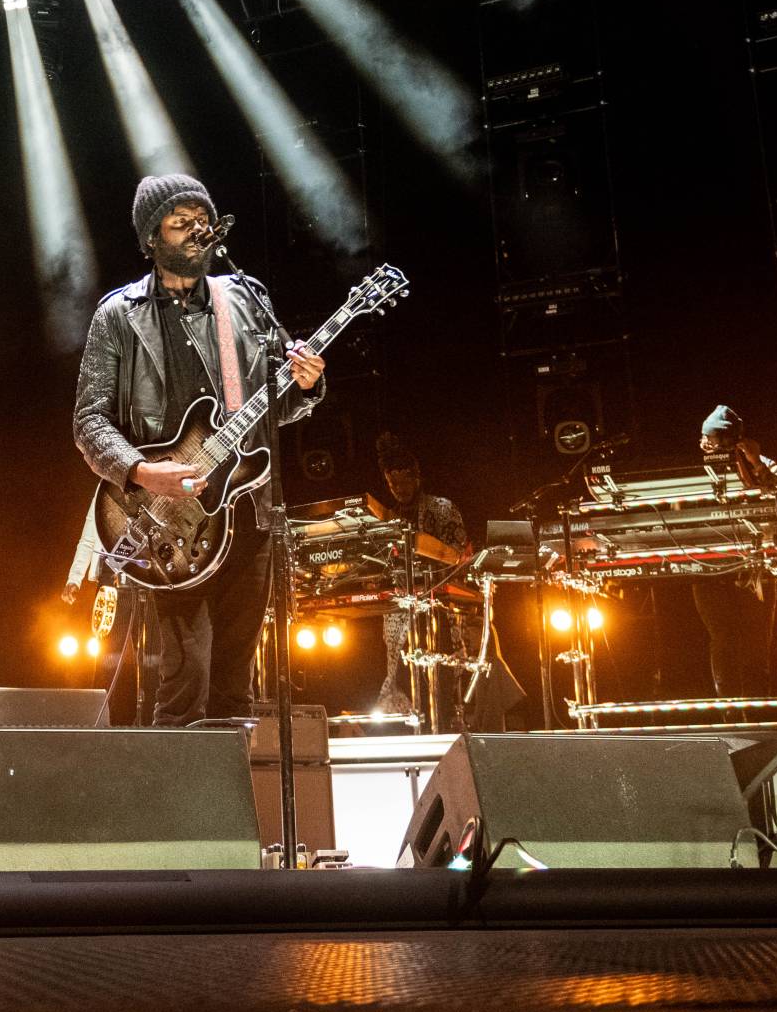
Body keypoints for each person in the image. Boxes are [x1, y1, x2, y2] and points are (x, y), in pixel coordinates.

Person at [71, 173, 325, 728]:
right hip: (166, 520)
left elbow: (265, 414)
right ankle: (176, 806)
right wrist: (141, 472)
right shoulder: (119, 315)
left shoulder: (246, 299)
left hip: (248, 510)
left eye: (201, 221)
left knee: (237, 684)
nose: (195, 232)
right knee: (186, 678)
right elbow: (89, 421)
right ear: (151, 238)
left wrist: (304, 385)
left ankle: (235, 805)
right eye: (179, 223)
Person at [372, 431, 505, 727]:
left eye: (404, 481)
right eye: (392, 483)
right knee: (402, 669)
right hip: (401, 606)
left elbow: (459, 556)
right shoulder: (388, 518)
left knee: (443, 672)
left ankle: (446, 721)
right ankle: (409, 720)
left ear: (416, 478)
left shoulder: (441, 508)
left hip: (440, 605)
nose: (398, 488)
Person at [689, 404, 777, 699]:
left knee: (757, 642)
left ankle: (760, 706)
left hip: (756, 568)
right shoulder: (692, 472)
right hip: (711, 568)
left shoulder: (762, 464)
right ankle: (728, 707)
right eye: (706, 440)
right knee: (722, 639)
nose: (709, 446)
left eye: (716, 440)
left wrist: (755, 463)